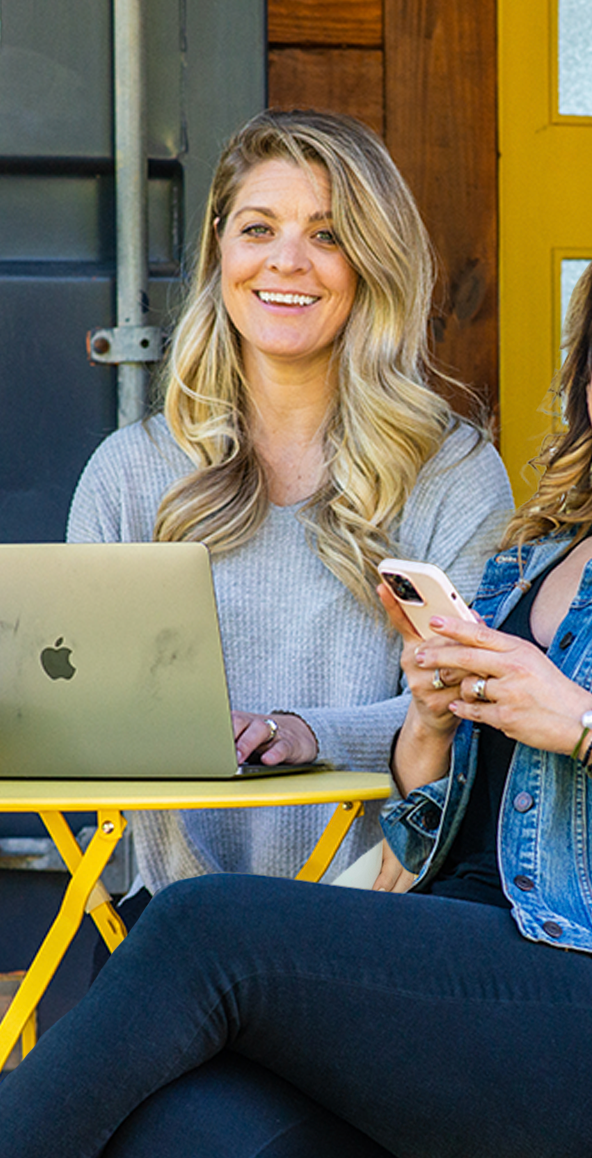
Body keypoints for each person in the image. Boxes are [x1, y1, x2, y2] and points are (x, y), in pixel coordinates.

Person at [2, 212, 592, 1158]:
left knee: (204, 929)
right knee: (187, 1127)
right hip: (470, 968)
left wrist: (588, 727)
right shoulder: (530, 564)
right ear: (588, 368)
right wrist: (429, 724)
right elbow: (451, 831)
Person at [66, 108, 512, 904]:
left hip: (375, 918)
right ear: (221, 250)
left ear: (372, 261)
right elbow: (80, 715)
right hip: (168, 919)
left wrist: (306, 733)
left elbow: (470, 711)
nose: (288, 261)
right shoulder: (128, 474)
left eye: (328, 235)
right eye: (259, 229)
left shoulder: (455, 474)